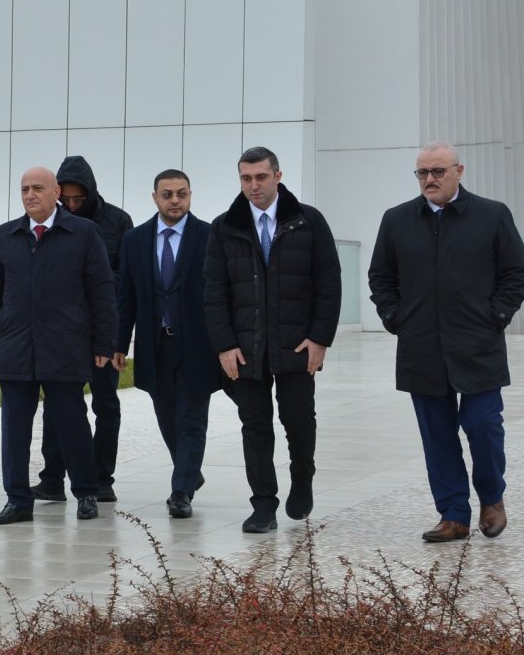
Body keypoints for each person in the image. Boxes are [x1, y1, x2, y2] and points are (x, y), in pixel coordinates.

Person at [368, 143, 524, 543]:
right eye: (422, 173)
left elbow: (515, 273)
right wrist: (395, 317)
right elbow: (380, 277)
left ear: (459, 171)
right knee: (437, 435)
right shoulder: (397, 219)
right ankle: (453, 514)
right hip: (421, 346)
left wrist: (496, 316)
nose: (429, 179)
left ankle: (492, 497)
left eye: (437, 171)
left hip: (477, 344)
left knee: (483, 424)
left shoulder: (492, 215)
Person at [204, 146, 341, 535]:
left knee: (298, 419)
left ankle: (302, 475)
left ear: (278, 177)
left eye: (261, 177)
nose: (254, 186)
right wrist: (224, 345)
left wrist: (319, 338)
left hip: (297, 343)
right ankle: (263, 504)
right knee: (255, 424)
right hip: (245, 348)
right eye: (246, 178)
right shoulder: (224, 227)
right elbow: (213, 292)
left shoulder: (308, 221)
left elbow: (329, 283)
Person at [0, 166, 116, 524]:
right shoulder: (5, 235)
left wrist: (104, 342)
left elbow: (101, 291)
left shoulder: (83, 232)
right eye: (25, 189)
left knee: (71, 423)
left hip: (65, 346)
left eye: (38, 188)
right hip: (15, 347)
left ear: (56, 192)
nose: (30, 195)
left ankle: (86, 492)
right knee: (14, 429)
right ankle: (17, 500)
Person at [113, 170, 219, 519]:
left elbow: (220, 293)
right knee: (166, 416)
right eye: (168, 194)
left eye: (181, 194)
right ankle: (190, 469)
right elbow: (126, 296)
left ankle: (181, 491)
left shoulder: (209, 236)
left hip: (197, 345)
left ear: (190, 195)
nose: (175, 200)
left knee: (191, 417)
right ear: (155, 197)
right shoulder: (135, 240)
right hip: (155, 344)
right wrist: (119, 343)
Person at [31, 156, 131, 503]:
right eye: (67, 199)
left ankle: (102, 477)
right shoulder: (53, 222)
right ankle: (52, 477)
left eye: (79, 199)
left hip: (102, 328)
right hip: (63, 331)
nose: (72, 205)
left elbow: (125, 278)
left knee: (106, 405)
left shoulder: (117, 221)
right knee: (57, 405)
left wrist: (116, 337)